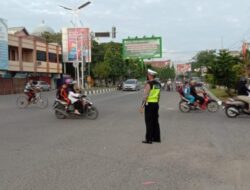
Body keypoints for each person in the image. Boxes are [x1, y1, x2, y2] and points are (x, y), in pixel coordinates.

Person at [139, 69, 161, 144]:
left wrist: (142, 106)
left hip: (149, 105)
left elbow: (145, 96)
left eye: (148, 75)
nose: (147, 76)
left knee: (149, 122)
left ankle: (149, 139)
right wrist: (157, 102)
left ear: (151, 76)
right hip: (156, 104)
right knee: (155, 121)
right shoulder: (158, 84)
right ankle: (157, 138)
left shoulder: (149, 84)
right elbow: (158, 95)